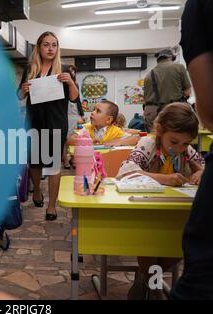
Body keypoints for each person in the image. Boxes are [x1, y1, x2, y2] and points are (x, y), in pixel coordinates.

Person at [171, 0, 213, 299]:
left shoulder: (201, 7)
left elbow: (211, 109)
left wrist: (203, 171)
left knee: (211, 280)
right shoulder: (147, 147)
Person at [116, 103, 204, 299]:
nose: (180, 148)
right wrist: (166, 179)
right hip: (147, 213)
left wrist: (200, 171)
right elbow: (125, 172)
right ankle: (152, 283)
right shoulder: (148, 144)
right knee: (148, 241)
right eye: (174, 142)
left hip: (176, 213)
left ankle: (144, 278)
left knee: (183, 243)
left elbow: (205, 165)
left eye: (185, 143)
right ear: (159, 130)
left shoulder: (184, 149)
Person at [17, 31, 79, 221]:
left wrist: (70, 83)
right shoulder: (31, 69)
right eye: (46, 44)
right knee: (34, 163)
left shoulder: (65, 69)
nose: (51, 48)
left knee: (53, 165)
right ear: (39, 47)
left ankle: (51, 205)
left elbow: (75, 98)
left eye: (54, 45)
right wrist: (24, 89)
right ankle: (37, 191)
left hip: (55, 123)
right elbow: (19, 96)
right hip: (35, 121)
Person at [143, 48, 192, 132]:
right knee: (174, 138)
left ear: (158, 60)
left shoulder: (148, 74)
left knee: (154, 139)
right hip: (172, 111)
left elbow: (145, 98)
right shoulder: (179, 67)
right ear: (171, 57)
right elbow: (187, 92)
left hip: (151, 113)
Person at [67, 100, 138, 147]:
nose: (92, 112)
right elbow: (70, 140)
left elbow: (135, 139)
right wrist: (89, 141)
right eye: (94, 109)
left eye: (98, 111)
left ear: (108, 119)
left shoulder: (115, 131)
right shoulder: (86, 127)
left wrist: (118, 142)